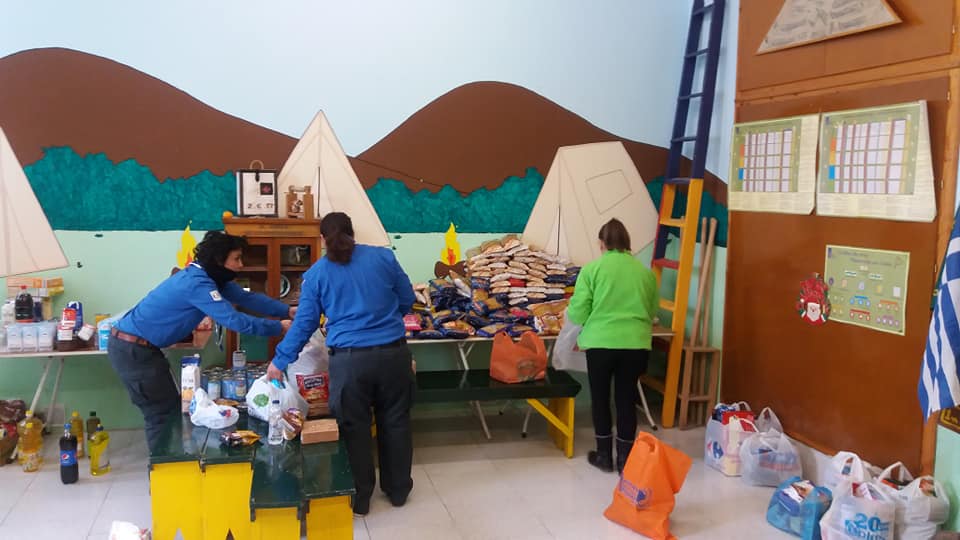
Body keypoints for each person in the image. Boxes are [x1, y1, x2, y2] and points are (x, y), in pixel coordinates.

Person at [269, 212, 416, 516]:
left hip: (350, 362)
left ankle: (360, 498)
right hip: (393, 355)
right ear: (353, 233)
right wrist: (386, 319)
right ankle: (398, 491)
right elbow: (406, 298)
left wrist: (280, 359)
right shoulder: (383, 258)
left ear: (322, 239)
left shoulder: (317, 274)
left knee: (354, 427)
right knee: (396, 421)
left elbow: (305, 323)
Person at [107, 231, 293, 451]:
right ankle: (163, 468)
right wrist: (278, 327)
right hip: (134, 351)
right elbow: (234, 320)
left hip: (141, 348)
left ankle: (169, 463)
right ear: (218, 260)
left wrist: (286, 310)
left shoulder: (211, 278)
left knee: (168, 410)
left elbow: (247, 298)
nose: (241, 265)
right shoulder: (197, 283)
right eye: (236, 259)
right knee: (161, 414)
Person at [566, 218, 659, 474]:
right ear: (628, 243)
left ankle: (604, 455)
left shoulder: (592, 270)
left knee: (600, 399)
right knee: (626, 399)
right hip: (635, 344)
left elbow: (578, 311)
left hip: (600, 344)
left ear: (601, 243)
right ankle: (625, 460)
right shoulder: (645, 273)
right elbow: (652, 310)